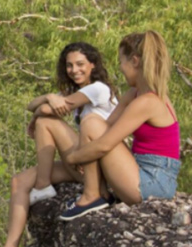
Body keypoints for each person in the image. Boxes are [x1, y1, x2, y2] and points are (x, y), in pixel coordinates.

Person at [0, 42, 116, 247]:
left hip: (100, 167)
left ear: (93, 65)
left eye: (81, 64)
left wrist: (43, 110)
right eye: (70, 65)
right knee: (19, 182)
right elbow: (31, 105)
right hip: (81, 162)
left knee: (44, 122)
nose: (75, 70)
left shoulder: (98, 89)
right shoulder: (75, 95)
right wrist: (49, 96)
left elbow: (42, 112)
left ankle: (43, 186)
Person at [60, 30, 180, 220]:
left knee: (91, 126)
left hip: (153, 182)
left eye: (121, 61)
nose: (120, 67)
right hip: (141, 169)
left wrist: (74, 158)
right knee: (91, 121)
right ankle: (99, 193)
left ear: (134, 61)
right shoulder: (134, 94)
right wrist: (85, 151)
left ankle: (92, 196)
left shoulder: (148, 101)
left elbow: (104, 144)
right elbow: (102, 127)